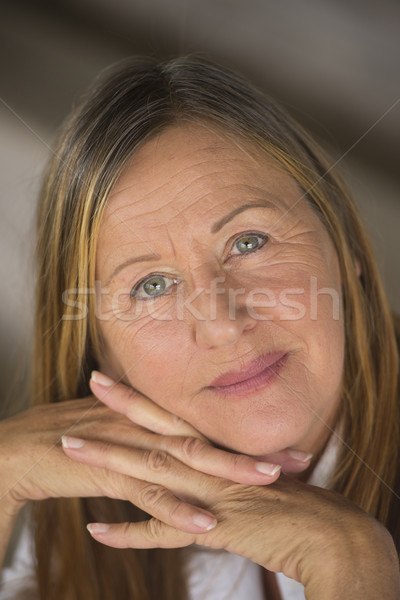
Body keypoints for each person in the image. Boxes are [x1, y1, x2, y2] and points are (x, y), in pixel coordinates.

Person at [0, 56, 399, 600]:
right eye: (152, 286)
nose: (223, 323)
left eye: (249, 242)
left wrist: (355, 560)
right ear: (102, 353)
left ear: (345, 243)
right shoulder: (90, 500)